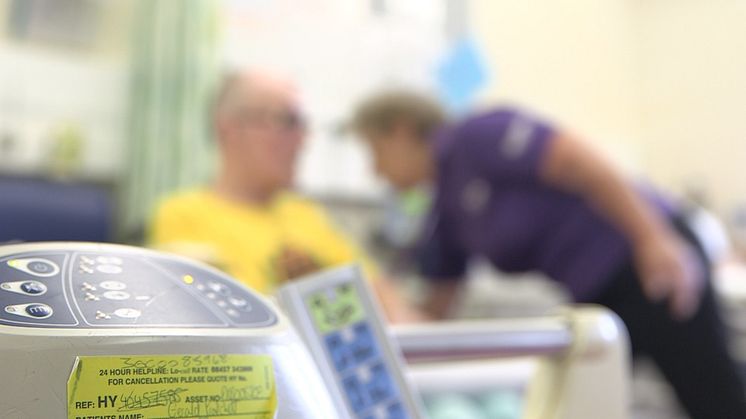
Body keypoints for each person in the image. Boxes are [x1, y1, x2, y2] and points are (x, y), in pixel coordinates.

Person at [351, 89, 746, 419]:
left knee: (713, 394)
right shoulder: (444, 213)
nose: (375, 171)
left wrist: (653, 240)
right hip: (600, 296)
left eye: (375, 151)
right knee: (572, 399)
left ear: (401, 131)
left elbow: (581, 162)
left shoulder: (477, 136)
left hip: (645, 258)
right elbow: (435, 313)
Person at [150, 71, 420, 322]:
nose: (302, 139)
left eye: (302, 124)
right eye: (286, 122)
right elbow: (215, 321)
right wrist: (313, 294)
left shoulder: (305, 214)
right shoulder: (184, 215)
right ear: (229, 129)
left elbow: (390, 309)